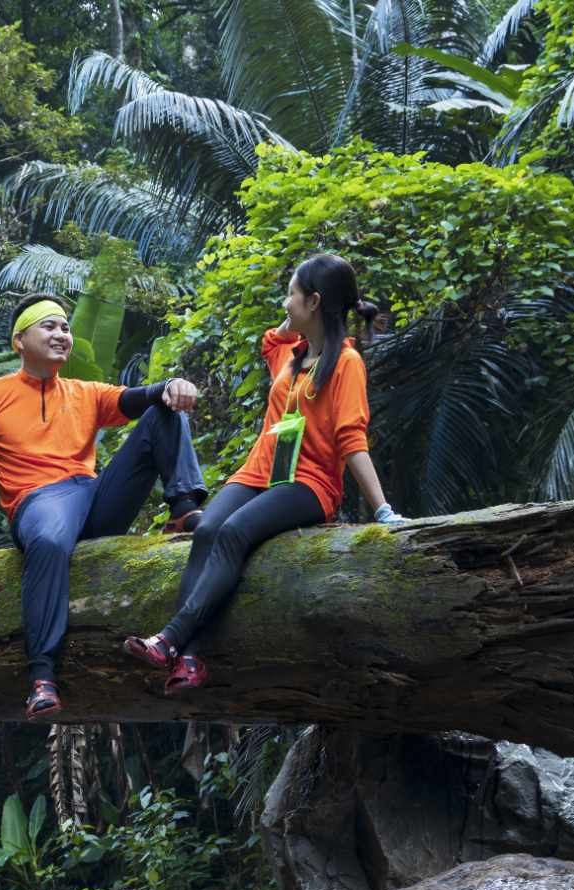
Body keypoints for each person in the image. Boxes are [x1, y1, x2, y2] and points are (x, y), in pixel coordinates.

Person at [124, 253, 405, 693]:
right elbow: (271, 341)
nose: (285, 301)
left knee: (235, 533)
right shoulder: (290, 358)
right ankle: (190, 660)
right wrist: (298, 321)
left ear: (314, 301)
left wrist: (383, 510)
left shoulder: (346, 364)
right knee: (207, 529)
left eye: (292, 294)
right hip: (259, 472)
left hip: (308, 484)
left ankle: (171, 639)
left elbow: (352, 440)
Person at [0, 292, 206, 721]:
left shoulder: (84, 393)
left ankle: (184, 508)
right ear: (20, 340)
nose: (62, 334)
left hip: (91, 499)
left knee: (163, 408)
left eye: (65, 327)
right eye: (49, 326)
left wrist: (169, 387)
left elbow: (134, 398)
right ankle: (42, 676)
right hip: (39, 502)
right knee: (49, 539)